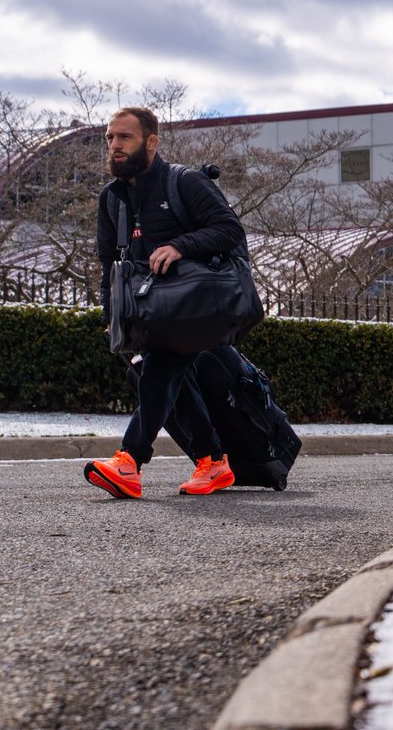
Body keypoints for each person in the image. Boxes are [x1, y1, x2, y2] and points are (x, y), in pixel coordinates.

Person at [85, 107, 245, 499]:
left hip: (198, 307)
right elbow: (110, 267)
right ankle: (213, 460)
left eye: (125, 137)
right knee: (161, 376)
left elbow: (230, 230)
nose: (115, 145)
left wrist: (179, 246)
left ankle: (130, 461)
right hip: (151, 312)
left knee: (160, 367)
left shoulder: (184, 182)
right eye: (110, 138)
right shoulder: (112, 199)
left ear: (151, 142)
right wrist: (112, 318)